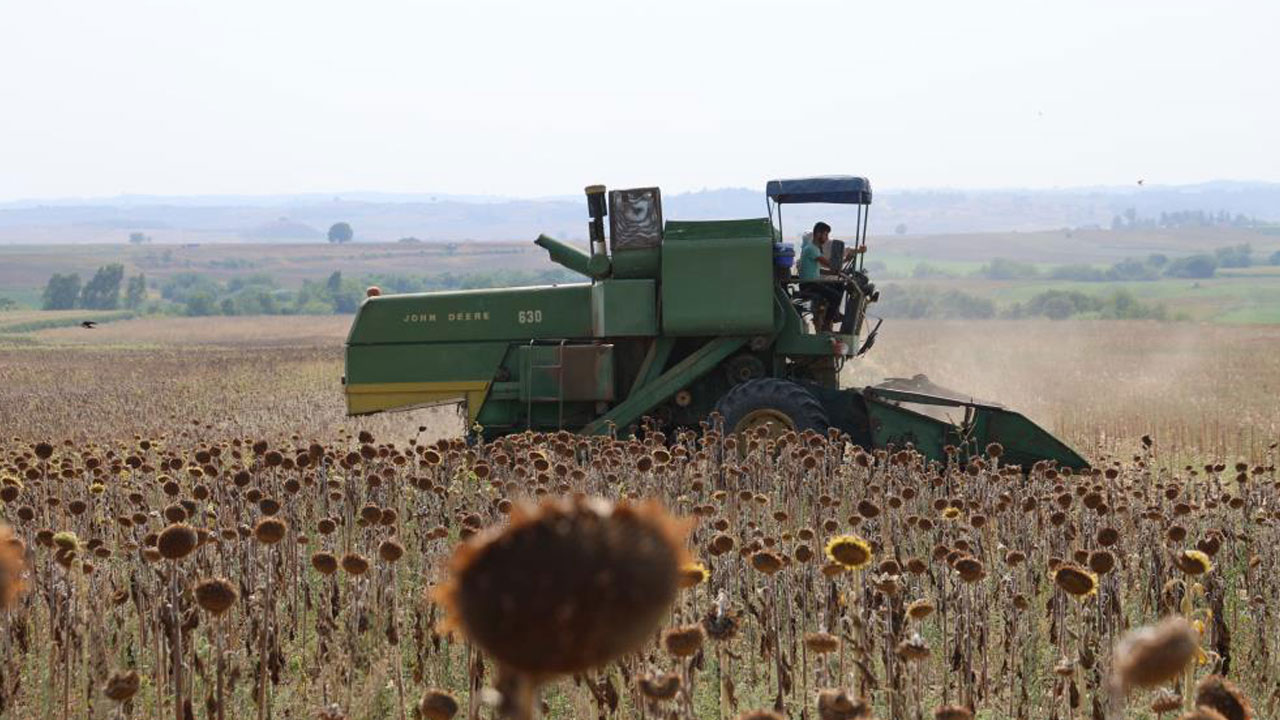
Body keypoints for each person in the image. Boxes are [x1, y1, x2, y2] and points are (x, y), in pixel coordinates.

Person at [798, 222, 855, 331]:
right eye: (826, 235)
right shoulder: (812, 249)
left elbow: (818, 269)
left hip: (814, 282)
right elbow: (829, 264)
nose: (827, 238)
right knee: (835, 296)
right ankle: (826, 323)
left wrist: (834, 272)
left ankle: (835, 314)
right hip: (809, 284)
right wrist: (845, 260)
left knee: (839, 285)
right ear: (818, 234)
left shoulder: (813, 249)